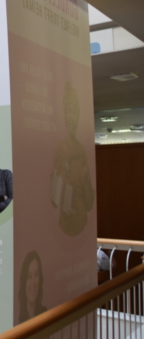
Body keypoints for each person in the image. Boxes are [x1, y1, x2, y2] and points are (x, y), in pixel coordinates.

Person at [50, 83, 94, 236]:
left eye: (75, 113)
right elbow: (55, 200)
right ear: (64, 116)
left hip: (83, 224)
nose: (72, 118)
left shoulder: (82, 150)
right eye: (69, 112)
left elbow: (89, 203)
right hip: (65, 226)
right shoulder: (60, 149)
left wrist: (84, 178)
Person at [18, 251, 51, 339]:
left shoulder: (44, 313)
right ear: (24, 281)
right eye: (29, 276)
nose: (33, 282)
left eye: (36, 275)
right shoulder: (19, 328)